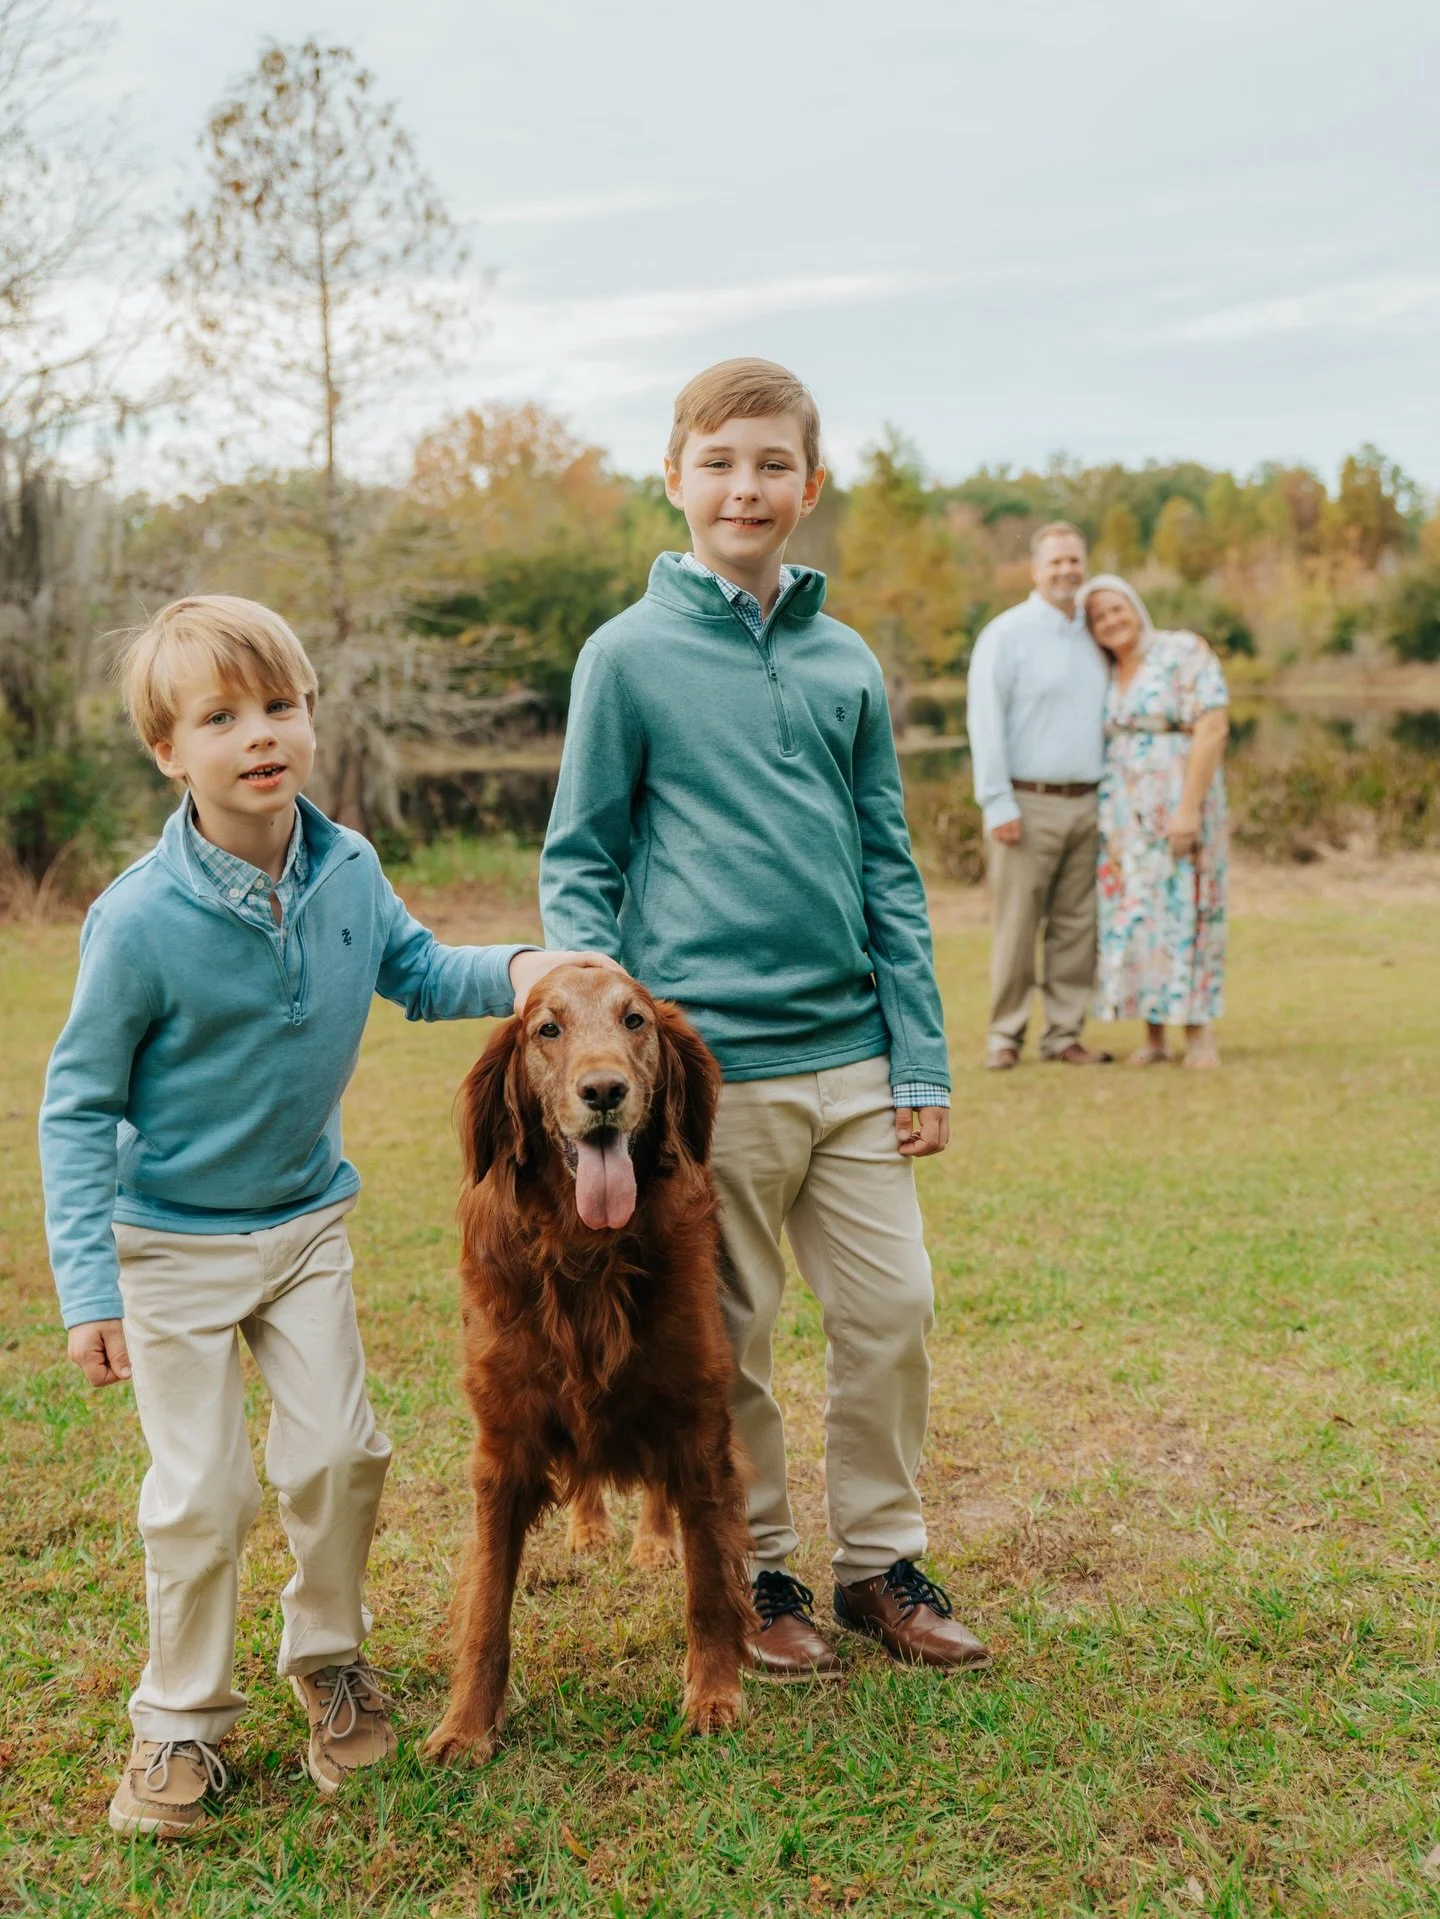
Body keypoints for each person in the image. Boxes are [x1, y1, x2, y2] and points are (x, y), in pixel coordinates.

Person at [39, 596, 610, 1838]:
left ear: (311, 720)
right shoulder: (136, 920)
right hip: (171, 1243)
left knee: (343, 1456)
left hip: (302, 1224)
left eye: (281, 707)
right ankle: (179, 1725)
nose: (261, 735)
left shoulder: (345, 864)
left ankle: (330, 1664)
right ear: (168, 751)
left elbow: (413, 969)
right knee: (200, 1493)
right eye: (222, 716)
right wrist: (89, 1287)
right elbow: (76, 1105)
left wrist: (523, 968)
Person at [540, 358, 990, 1680]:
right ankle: (762, 1563)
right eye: (721, 461)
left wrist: (920, 1051)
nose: (747, 486)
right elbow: (581, 862)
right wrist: (613, 1047)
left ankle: (881, 1565)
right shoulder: (623, 656)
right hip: (706, 1076)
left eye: (773, 463)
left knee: (893, 1305)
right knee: (727, 1335)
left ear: (810, 481)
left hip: (852, 1056)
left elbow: (890, 868)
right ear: (675, 476)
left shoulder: (846, 658)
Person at [966, 523, 1112, 1069]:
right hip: (1025, 803)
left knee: (1078, 927)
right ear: (1036, 570)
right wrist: (996, 801)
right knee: (1017, 926)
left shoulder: (1093, 635)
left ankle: (1064, 1035)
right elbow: (985, 721)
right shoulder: (1008, 634)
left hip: (1088, 801)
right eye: (1055, 563)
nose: (1066, 571)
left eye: (1074, 560)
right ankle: (1005, 1036)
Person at [1077, 574, 1230, 1067]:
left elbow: (1213, 726)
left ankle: (1199, 1033)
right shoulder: (1107, 670)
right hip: (1125, 817)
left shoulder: (1181, 650)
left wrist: (1187, 809)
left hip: (1180, 799)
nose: (1111, 621)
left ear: (1136, 607)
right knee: (1139, 916)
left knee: (1190, 907)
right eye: (1099, 617)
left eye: (1117, 609)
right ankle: (1155, 1035)